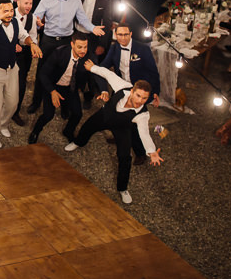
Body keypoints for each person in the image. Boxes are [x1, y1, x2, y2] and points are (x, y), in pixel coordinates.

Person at [65, 60, 164, 204]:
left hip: (122, 128)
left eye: (144, 98)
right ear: (132, 91)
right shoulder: (123, 86)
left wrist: (151, 151)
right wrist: (93, 68)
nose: (140, 101)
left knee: (125, 158)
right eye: (138, 96)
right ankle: (78, 143)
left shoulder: (143, 114)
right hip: (104, 116)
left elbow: (144, 134)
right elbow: (108, 74)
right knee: (87, 128)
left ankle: (122, 188)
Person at [27, 0, 105, 113]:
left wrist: (93, 28)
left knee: (66, 72)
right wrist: (38, 22)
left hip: (67, 40)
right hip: (48, 40)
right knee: (42, 71)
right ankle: (36, 102)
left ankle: (64, 105)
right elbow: (35, 17)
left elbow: (82, 19)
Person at [0, 0, 42, 148]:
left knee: (13, 102)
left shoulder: (15, 22)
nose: (9, 14)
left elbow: (23, 36)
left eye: (11, 11)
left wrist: (32, 43)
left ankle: (3, 124)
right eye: (5, 11)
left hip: (12, 68)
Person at [28, 34, 97, 145]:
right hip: (53, 86)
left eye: (85, 47)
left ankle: (68, 131)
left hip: (71, 87)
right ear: (72, 44)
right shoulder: (59, 53)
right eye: (79, 47)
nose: (83, 50)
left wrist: (103, 91)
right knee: (48, 115)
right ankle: (35, 131)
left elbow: (96, 75)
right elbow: (43, 74)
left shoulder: (90, 58)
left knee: (78, 114)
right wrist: (52, 91)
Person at [98, 24, 161, 106]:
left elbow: (153, 72)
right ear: (115, 35)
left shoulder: (143, 49)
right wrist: (104, 90)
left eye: (126, 34)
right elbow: (102, 68)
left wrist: (155, 92)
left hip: (139, 90)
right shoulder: (114, 48)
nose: (123, 38)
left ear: (130, 34)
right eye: (120, 35)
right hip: (121, 88)